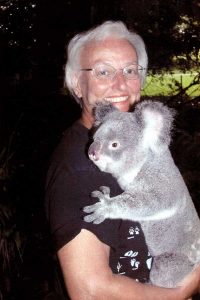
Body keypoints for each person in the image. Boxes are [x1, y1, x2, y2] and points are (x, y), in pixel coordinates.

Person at [45, 21, 200, 299]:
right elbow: (90, 292)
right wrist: (181, 291)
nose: (120, 83)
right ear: (77, 84)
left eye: (130, 70)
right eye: (103, 71)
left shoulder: (136, 136)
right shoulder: (78, 168)